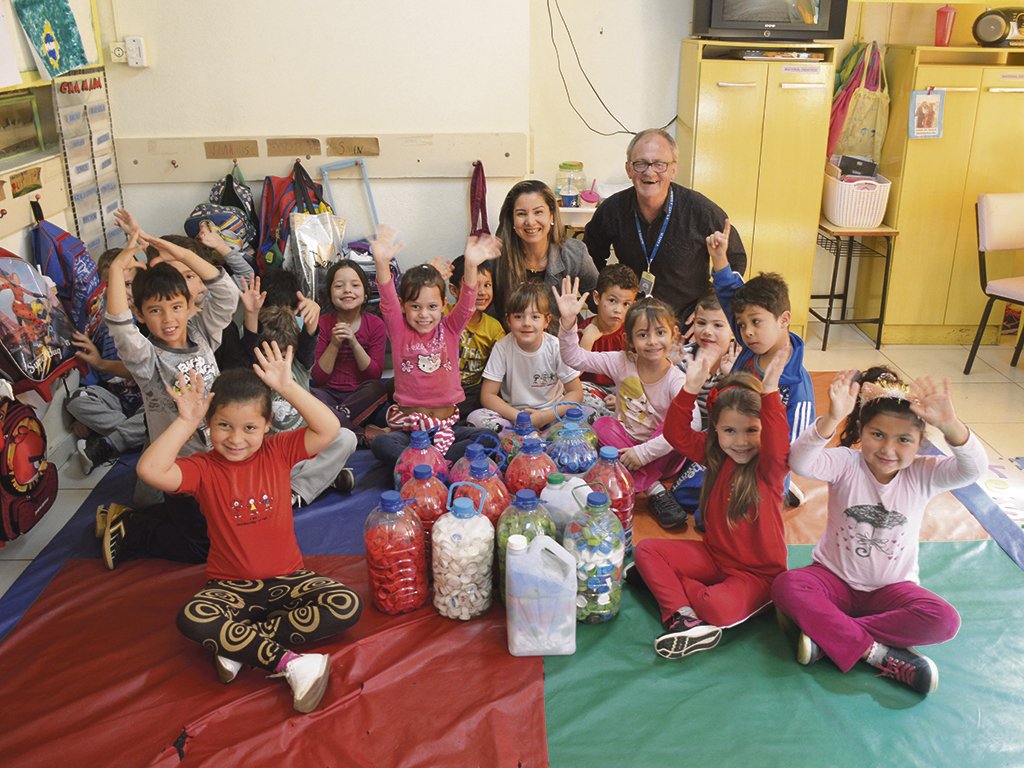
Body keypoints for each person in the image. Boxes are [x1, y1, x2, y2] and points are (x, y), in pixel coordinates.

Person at [136, 342, 363, 713]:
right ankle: (292, 663)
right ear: (210, 425)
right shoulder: (203, 468)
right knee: (193, 618)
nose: (236, 439)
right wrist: (186, 421)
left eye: (249, 428)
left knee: (345, 605)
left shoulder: (278, 451)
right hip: (229, 589)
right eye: (224, 426)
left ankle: (236, 644)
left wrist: (288, 387)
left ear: (267, 426)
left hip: (288, 580)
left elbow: (330, 429)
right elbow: (150, 471)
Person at [771, 368, 986, 695]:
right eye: (878, 435)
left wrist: (950, 426)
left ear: (920, 443)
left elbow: (974, 469)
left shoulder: (923, 474)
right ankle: (877, 653)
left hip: (891, 592)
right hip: (833, 580)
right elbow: (800, 462)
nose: (888, 449)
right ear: (861, 430)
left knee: (944, 620)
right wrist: (831, 418)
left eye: (903, 440)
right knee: (787, 586)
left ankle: (828, 639)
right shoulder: (846, 463)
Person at [632, 351, 789, 660]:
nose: (740, 441)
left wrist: (770, 394)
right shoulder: (715, 455)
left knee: (715, 607)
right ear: (715, 429)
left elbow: (779, 442)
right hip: (714, 557)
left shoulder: (769, 469)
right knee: (646, 550)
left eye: (751, 430)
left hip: (758, 576)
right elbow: (675, 433)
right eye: (729, 430)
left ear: (763, 430)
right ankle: (682, 617)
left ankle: (676, 591)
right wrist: (689, 389)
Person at [100, 225, 240, 569]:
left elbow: (226, 293)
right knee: (202, 549)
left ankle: (129, 512)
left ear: (191, 306)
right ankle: (132, 526)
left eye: (176, 307)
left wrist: (178, 251)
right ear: (142, 315)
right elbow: (119, 325)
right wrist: (118, 270)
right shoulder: (146, 358)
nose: (168, 320)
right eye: (155, 311)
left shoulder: (202, 332)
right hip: (180, 469)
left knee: (234, 531)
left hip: (220, 460)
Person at [554, 278, 688, 529]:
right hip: (624, 448)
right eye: (642, 334)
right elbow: (574, 357)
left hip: (661, 454)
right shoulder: (621, 361)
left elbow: (684, 429)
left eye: (660, 333)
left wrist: (643, 453)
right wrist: (569, 323)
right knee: (603, 425)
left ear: (673, 335)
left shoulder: (676, 379)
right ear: (629, 339)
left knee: (675, 422)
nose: (652, 341)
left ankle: (635, 480)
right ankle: (655, 490)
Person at [584, 128, 746, 329]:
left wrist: (712, 309)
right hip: (633, 328)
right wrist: (604, 303)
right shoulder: (612, 210)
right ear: (628, 169)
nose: (649, 172)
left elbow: (736, 258)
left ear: (673, 170)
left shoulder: (701, 211)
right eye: (640, 163)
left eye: (659, 164)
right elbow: (588, 260)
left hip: (685, 328)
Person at [368, 225, 499, 465]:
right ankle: (435, 462)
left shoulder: (450, 328)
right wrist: (381, 262)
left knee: (488, 438)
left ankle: (425, 463)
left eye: (432, 307)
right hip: (410, 433)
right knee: (382, 444)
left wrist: (470, 266)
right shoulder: (399, 330)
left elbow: (468, 303)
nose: (424, 315)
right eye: (415, 306)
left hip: (447, 428)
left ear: (444, 304)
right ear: (404, 307)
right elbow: (387, 299)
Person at [708, 220, 814, 506]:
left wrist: (775, 483)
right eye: (742, 325)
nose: (747, 331)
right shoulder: (752, 344)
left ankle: (785, 492)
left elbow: (795, 448)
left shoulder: (797, 388)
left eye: (756, 322)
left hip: (765, 471)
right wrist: (720, 261)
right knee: (699, 505)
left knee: (745, 516)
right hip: (733, 444)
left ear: (784, 319)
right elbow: (733, 298)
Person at [244, 302, 358, 506]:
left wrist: (311, 321)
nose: (278, 360)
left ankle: (297, 488)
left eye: (284, 352)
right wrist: (251, 315)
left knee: (347, 438)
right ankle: (324, 478)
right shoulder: (254, 373)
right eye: (272, 353)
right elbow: (250, 342)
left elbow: (308, 340)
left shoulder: (299, 365)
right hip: (272, 457)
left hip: (305, 446)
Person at [68, 247, 146, 479]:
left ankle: (114, 438)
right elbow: (95, 376)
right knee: (76, 401)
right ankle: (132, 433)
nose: (121, 293)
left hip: (148, 403)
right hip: (118, 403)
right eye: (111, 285)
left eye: (128, 284)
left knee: (159, 415)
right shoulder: (98, 325)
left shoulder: (146, 318)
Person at [469, 282, 582, 431]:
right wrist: (519, 417)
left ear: (546, 321)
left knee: (586, 414)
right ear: (508, 321)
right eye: (518, 317)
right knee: (476, 418)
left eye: (535, 317)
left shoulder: (556, 346)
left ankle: (543, 437)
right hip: (514, 416)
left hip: (552, 415)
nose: (526, 323)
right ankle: (520, 439)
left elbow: (576, 393)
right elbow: (488, 395)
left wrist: (545, 416)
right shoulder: (502, 347)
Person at [669, 288, 737, 530]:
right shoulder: (684, 357)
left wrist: (730, 378)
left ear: (733, 330)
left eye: (718, 325)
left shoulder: (738, 363)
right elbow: (673, 407)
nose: (707, 331)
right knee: (683, 490)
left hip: (721, 439)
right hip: (689, 433)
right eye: (701, 323)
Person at [491, 179, 598, 326]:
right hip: (511, 344)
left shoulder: (574, 252)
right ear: (511, 219)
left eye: (538, 212)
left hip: (563, 342)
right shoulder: (495, 257)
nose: (530, 221)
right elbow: (484, 314)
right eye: (521, 214)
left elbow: (599, 300)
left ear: (552, 215)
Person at [306, 259, 389, 438]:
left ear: (365, 293)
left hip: (361, 397)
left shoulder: (375, 324)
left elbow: (374, 375)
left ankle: (335, 421)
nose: (347, 290)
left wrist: (353, 342)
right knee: (308, 393)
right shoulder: (322, 323)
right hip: (328, 394)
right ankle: (357, 432)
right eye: (339, 286)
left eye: (355, 285)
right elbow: (319, 377)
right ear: (330, 294)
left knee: (377, 388)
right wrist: (335, 343)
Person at [444, 255, 505, 420]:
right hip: (439, 387)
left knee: (485, 396)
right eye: (474, 286)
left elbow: (503, 366)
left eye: (487, 285)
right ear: (454, 290)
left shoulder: (493, 328)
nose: (482, 292)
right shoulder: (443, 315)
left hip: (471, 391)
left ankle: (446, 417)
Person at [578, 263, 638, 419]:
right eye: (612, 301)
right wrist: (588, 339)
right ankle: (608, 422)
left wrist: (622, 395)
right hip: (593, 391)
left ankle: (612, 421)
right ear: (597, 298)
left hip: (626, 390)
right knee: (578, 394)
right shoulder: (584, 329)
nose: (618, 309)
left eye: (626, 304)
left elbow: (642, 373)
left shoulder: (633, 333)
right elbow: (572, 374)